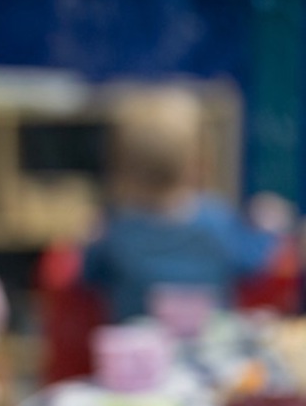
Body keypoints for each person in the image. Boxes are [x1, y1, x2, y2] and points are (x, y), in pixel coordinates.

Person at [81, 84, 292, 322]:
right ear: (196, 163)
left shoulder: (119, 230)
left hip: (140, 354)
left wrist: (91, 237)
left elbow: (88, 274)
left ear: (123, 168)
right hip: (207, 350)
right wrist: (269, 229)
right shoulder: (217, 220)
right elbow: (254, 261)